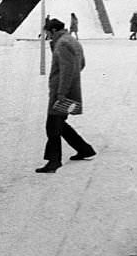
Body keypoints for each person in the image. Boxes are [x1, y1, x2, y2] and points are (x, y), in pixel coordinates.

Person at [36, 18, 96, 173]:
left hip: (61, 92)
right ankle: (85, 150)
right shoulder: (70, 40)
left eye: (48, 32)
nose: (47, 36)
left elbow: (67, 70)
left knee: (52, 126)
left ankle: (54, 161)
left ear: (53, 30)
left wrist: (62, 91)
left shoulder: (62, 44)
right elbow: (81, 63)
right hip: (69, 88)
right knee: (60, 124)